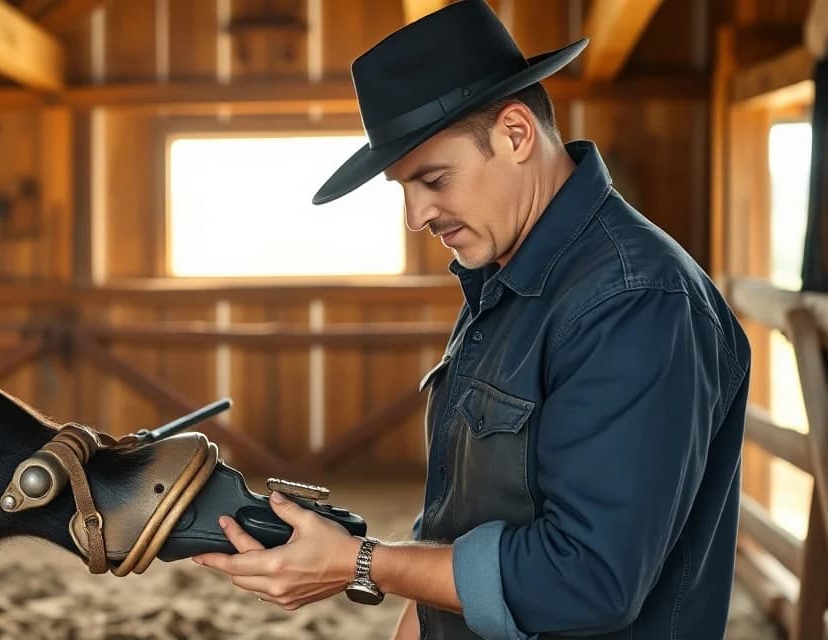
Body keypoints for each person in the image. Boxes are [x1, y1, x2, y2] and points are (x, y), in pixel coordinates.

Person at [190, 1, 752, 638]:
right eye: (404, 188)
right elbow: (472, 516)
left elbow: (589, 583)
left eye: (434, 179)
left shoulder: (634, 303)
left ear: (516, 134)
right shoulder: (509, 274)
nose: (417, 216)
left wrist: (360, 562)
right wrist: (416, 615)